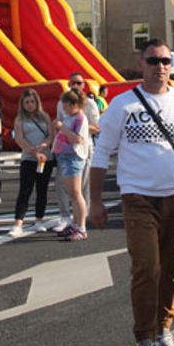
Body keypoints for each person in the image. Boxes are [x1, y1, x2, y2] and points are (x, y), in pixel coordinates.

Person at [88, 38, 174, 346]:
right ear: (141, 64)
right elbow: (101, 155)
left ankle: (164, 330)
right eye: (154, 61)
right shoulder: (122, 106)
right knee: (147, 269)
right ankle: (144, 339)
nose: (161, 67)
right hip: (138, 199)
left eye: (166, 60)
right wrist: (95, 202)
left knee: (171, 269)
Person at [53, 72, 100, 229]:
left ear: (83, 85)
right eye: (72, 83)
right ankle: (66, 216)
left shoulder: (89, 105)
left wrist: (73, 129)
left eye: (79, 83)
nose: (75, 86)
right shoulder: (62, 103)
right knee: (63, 184)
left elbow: (97, 127)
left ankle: (81, 219)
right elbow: (60, 122)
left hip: (82, 148)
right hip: (64, 149)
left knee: (81, 186)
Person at [9, 89, 54, 237]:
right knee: (25, 190)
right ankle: (18, 223)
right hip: (29, 158)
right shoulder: (20, 119)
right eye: (27, 102)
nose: (30, 105)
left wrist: (43, 146)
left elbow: (51, 135)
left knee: (42, 190)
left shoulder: (45, 116)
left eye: (32, 102)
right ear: (22, 104)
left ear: (37, 102)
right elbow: (19, 139)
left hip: (45, 158)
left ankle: (39, 220)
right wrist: (34, 152)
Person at [52, 88, 90, 241]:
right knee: (72, 193)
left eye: (66, 106)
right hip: (65, 157)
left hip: (73, 157)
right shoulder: (70, 117)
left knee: (76, 193)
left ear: (74, 104)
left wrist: (61, 127)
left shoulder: (80, 118)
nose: (64, 109)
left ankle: (81, 227)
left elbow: (77, 139)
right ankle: (75, 224)